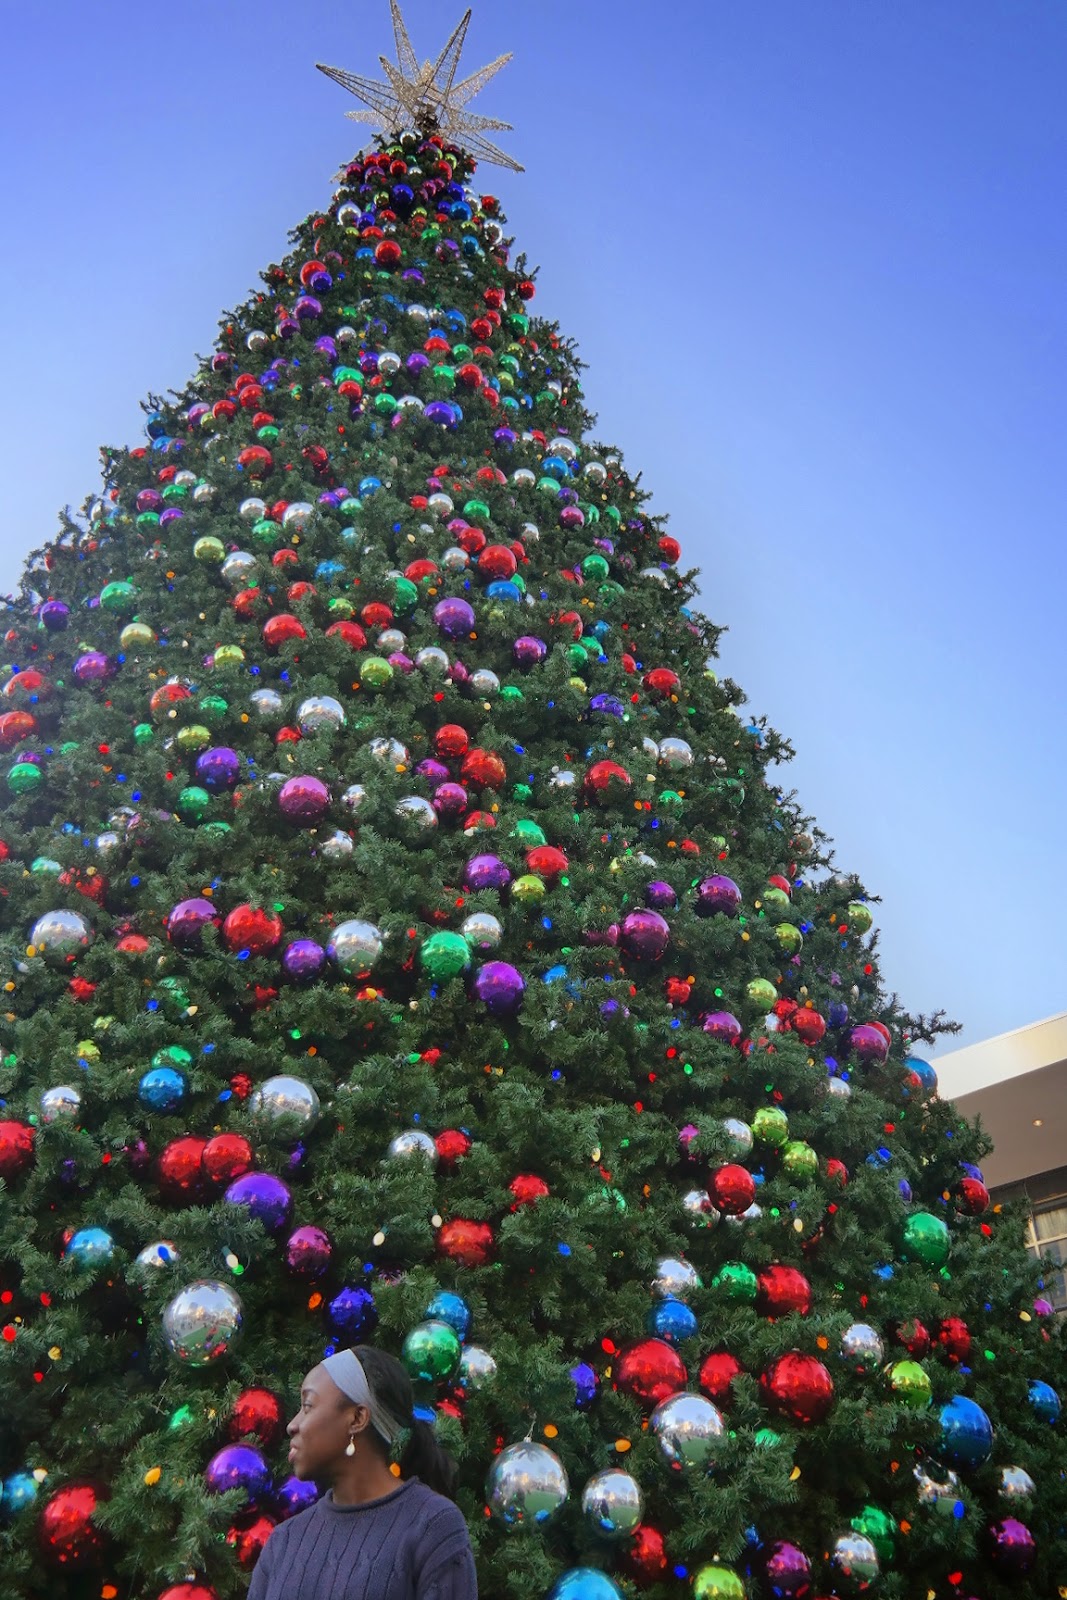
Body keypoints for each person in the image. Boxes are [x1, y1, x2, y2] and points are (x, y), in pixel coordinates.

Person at [247, 1344, 478, 1600]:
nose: (292, 1425)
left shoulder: (433, 1527)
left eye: (308, 1406)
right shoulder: (284, 1542)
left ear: (357, 1418)